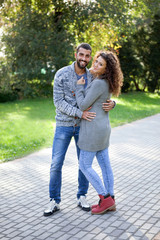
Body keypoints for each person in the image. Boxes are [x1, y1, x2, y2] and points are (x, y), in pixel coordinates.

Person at [43, 43, 116, 216]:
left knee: (83, 164)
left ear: (90, 57)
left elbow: (103, 94)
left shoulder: (93, 75)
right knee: (56, 163)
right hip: (64, 125)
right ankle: (54, 200)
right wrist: (80, 113)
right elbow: (58, 102)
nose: (84, 59)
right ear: (76, 54)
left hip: (85, 127)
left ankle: (82, 196)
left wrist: (113, 103)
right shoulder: (61, 74)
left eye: (87, 56)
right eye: (81, 55)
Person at [76, 50, 123, 215]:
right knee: (104, 165)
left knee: (84, 165)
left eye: (100, 64)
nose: (95, 64)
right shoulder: (106, 82)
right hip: (103, 129)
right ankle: (111, 201)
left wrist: (79, 87)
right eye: (96, 61)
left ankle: (105, 198)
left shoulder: (98, 83)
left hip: (93, 130)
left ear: (106, 69)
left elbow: (82, 105)